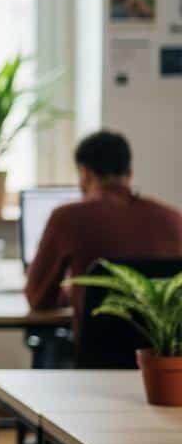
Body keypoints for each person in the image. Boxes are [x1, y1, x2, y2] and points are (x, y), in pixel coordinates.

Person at [25, 129, 182, 341]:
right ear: (130, 173)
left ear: (85, 173)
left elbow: (38, 298)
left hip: (94, 353)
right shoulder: (173, 219)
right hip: (160, 356)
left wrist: (77, 293)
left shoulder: (67, 218)